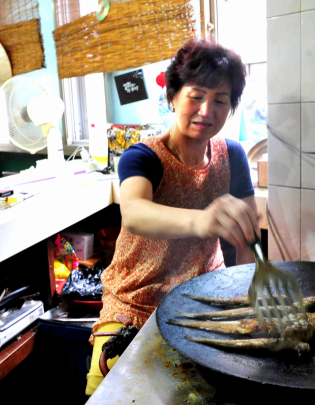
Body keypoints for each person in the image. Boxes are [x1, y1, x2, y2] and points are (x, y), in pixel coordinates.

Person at [86, 38, 259, 395]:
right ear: (173, 97)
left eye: (221, 100)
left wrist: (249, 301)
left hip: (205, 302)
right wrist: (201, 220)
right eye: (196, 95)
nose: (206, 110)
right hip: (134, 306)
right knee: (114, 394)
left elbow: (247, 239)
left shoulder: (234, 156)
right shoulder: (142, 157)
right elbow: (134, 212)